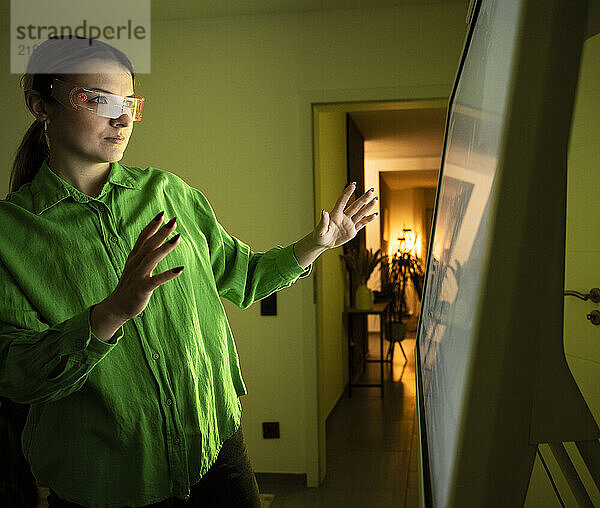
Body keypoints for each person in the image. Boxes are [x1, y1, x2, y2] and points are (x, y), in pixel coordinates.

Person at [0, 36, 378, 508]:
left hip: (217, 447)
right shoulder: (9, 235)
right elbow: (16, 375)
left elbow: (244, 275)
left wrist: (315, 245)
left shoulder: (169, 193)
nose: (121, 119)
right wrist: (111, 312)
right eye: (98, 99)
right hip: (105, 483)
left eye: (129, 103)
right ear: (41, 104)